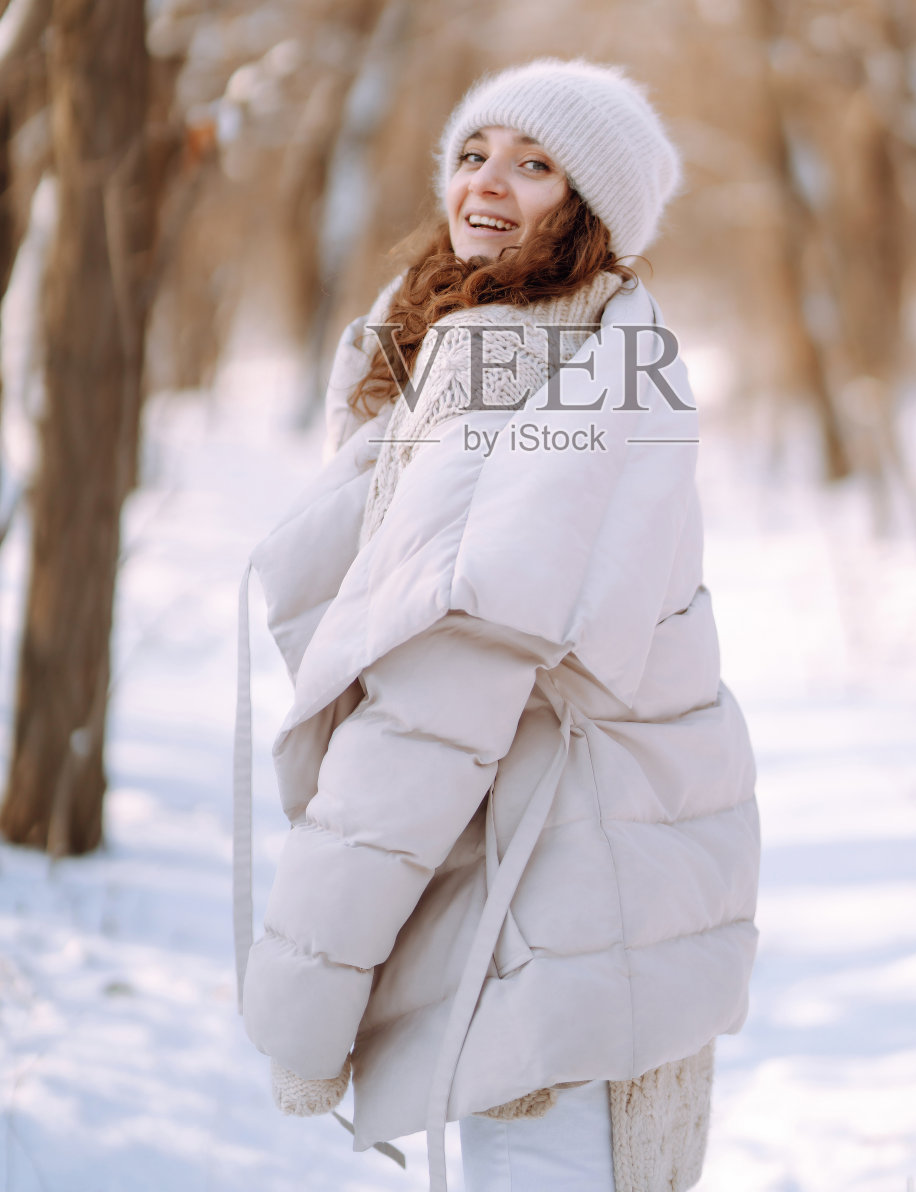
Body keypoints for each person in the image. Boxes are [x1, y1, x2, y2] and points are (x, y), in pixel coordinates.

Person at [234, 58, 761, 1192]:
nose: (487, 182)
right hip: (573, 877)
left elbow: (434, 701)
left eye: (535, 165)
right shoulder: (510, 342)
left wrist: (303, 997)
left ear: (590, 211)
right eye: (473, 152)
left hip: (563, 893)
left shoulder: (547, 374)